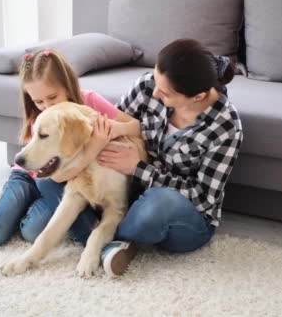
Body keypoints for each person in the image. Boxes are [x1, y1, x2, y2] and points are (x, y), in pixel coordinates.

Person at [55, 38, 244, 277]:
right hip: (129, 195)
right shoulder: (148, 86)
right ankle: (115, 243)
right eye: (155, 80)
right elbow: (114, 128)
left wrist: (138, 168)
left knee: (156, 205)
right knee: (54, 181)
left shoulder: (225, 127)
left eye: (165, 93)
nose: (154, 92)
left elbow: (202, 197)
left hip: (184, 216)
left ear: (198, 97)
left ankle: (99, 235)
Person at [0, 48, 136, 248]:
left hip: (56, 185)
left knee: (31, 231)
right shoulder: (41, 120)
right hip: (29, 176)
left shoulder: (89, 100)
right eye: (39, 101)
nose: (47, 106)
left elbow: (134, 126)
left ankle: (10, 207)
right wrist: (95, 145)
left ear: (68, 85)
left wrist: (110, 129)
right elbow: (59, 176)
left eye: (52, 97)